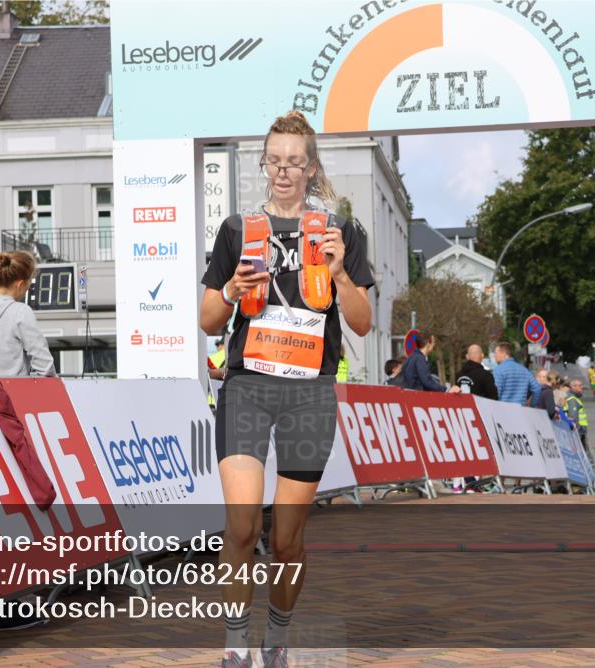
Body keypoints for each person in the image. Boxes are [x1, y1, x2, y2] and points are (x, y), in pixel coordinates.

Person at [199, 110, 374, 668]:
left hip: (309, 393)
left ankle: (276, 639)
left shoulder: (341, 232)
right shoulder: (237, 230)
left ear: (311, 167)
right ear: (263, 164)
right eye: (274, 161)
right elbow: (207, 320)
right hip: (248, 387)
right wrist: (229, 288)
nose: (283, 171)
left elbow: (364, 322)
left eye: (294, 162)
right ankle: (234, 647)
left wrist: (342, 275)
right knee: (242, 524)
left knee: (287, 542)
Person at [565, 378, 591, 451]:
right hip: (578, 431)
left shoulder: (574, 398)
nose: (580, 388)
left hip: (581, 431)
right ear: (572, 387)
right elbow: (573, 417)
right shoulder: (572, 399)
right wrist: (576, 434)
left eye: (580, 385)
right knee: (583, 452)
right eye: (578, 386)